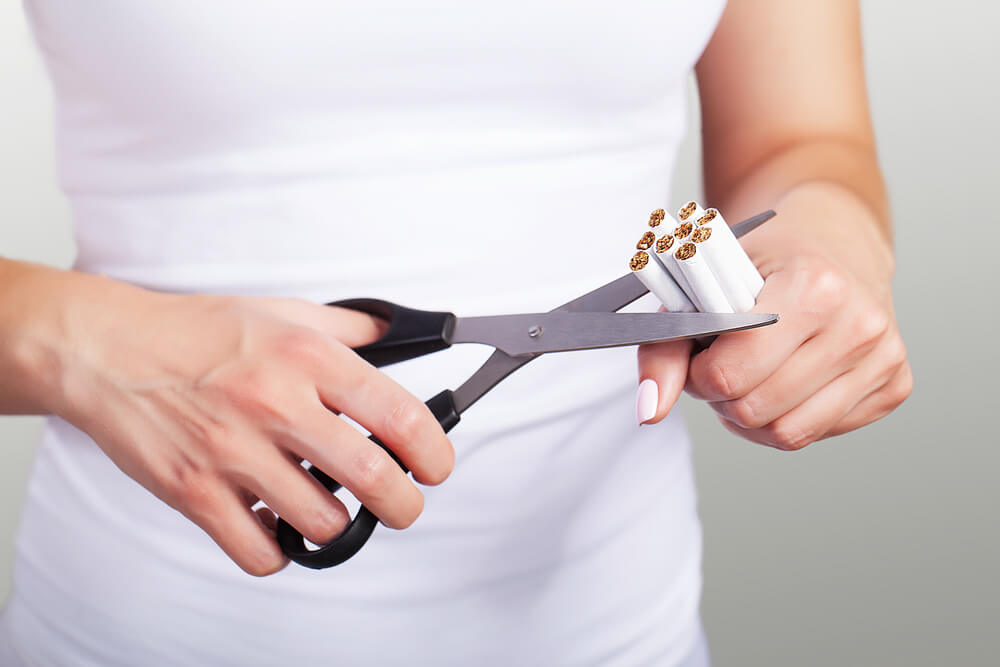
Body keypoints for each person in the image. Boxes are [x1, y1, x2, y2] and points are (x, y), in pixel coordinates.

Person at [0, 1, 911, 665]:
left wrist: (824, 248)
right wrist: (89, 343)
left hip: (622, 630)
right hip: (135, 629)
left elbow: (804, 137)